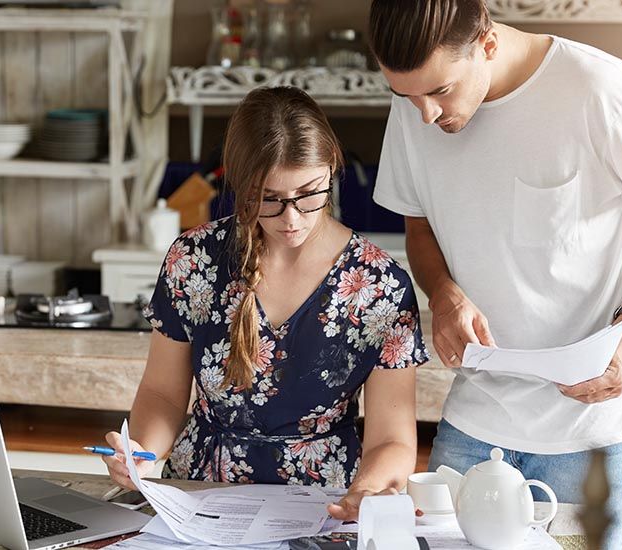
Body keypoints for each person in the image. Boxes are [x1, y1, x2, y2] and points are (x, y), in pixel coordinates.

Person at [366, 1, 622, 548]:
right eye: (406, 96)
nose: (424, 115)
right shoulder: (415, 103)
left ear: (487, 44)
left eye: (440, 92)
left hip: (592, 422)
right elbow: (418, 225)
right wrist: (444, 293)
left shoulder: (597, 88)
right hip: (476, 414)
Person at [101, 86, 429, 520]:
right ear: (238, 183)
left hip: (325, 504)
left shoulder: (379, 284)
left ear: (332, 166)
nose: (292, 219)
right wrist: (142, 452)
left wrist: (369, 490)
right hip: (198, 493)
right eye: (269, 199)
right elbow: (162, 392)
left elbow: (392, 439)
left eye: (310, 193)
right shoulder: (193, 260)